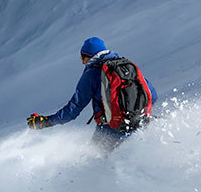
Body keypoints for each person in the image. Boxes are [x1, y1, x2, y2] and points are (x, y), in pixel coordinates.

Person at [27, 37, 158, 151]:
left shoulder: (91, 75)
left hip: (111, 129)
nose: (82, 62)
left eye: (82, 58)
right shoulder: (125, 66)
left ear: (89, 56)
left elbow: (73, 110)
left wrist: (46, 122)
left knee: (93, 162)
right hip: (140, 122)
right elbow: (152, 95)